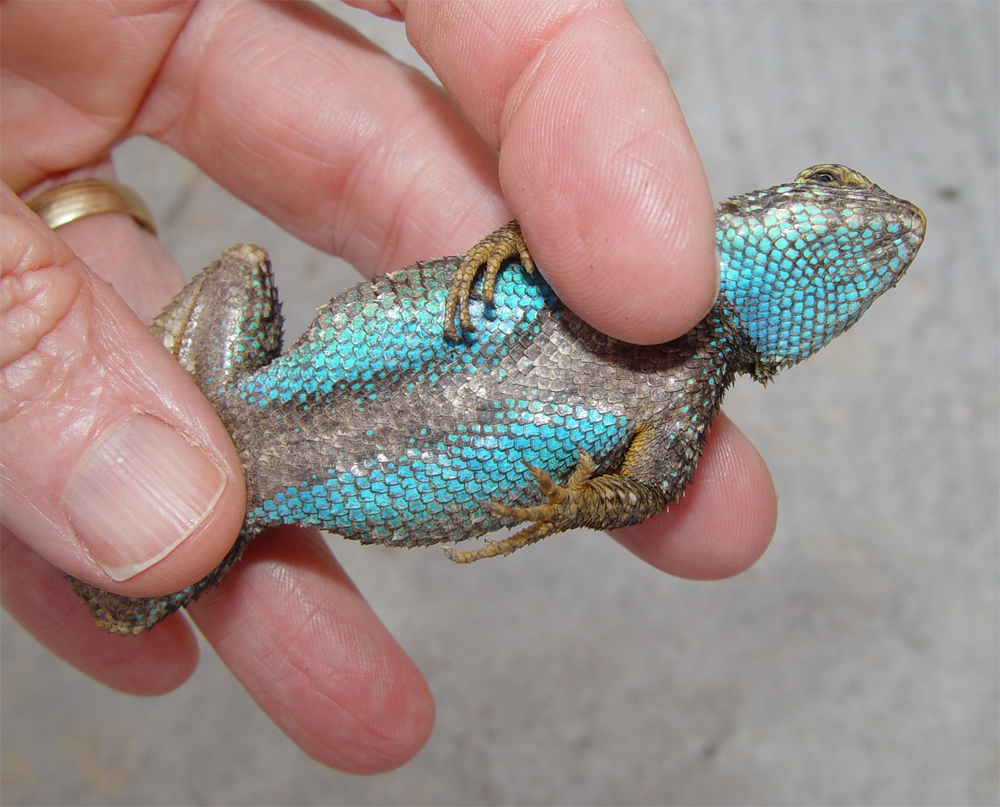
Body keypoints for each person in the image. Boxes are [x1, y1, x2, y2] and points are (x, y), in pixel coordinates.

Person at [1, 0, 776, 773]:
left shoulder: (685, 395)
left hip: (310, 483)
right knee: (241, 274)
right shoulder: (635, 288)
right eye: (826, 180)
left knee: (135, 584)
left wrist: (580, 502)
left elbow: (646, 487)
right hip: (279, 416)